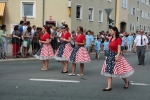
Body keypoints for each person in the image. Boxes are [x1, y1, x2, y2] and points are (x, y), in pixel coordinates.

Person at [101, 26, 134, 91]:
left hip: (116, 55)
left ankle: (126, 82)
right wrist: (107, 56)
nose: (110, 32)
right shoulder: (110, 38)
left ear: (115, 31)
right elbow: (110, 48)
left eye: (111, 30)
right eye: (110, 30)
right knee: (108, 71)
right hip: (110, 55)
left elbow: (119, 49)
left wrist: (118, 56)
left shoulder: (118, 39)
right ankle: (109, 86)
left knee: (120, 72)